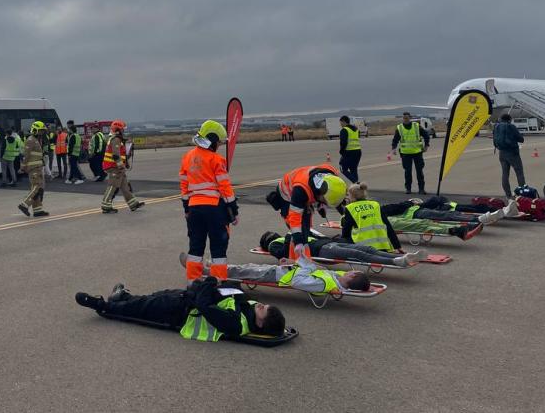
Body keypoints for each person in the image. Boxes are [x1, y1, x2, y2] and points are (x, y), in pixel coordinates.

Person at [75, 276, 286, 342]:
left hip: (180, 313)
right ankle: (123, 296)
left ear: (260, 323)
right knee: (148, 299)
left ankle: (101, 305)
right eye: (263, 305)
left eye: (262, 310)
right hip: (184, 298)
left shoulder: (236, 323)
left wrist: (208, 283)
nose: (259, 305)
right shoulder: (247, 307)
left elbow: (205, 306)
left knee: (141, 308)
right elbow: (231, 291)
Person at [180, 120, 236, 280]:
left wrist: (186, 208)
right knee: (218, 251)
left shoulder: (187, 157)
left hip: (194, 209)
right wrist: (234, 210)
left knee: (195, 249)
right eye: (218, 142)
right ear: (212, 140)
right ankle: (218, 286)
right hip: (214, 209)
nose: (219, 146)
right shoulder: (216, 160)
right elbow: (225, 188)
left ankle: (193, 284)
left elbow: (184, 187)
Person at [184, 253, 372, 295]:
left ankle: (203, 271)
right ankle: (207, 267)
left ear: (353, 277)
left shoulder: (325, 285)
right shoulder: (335, 278)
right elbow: (316, 269)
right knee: (245, 267)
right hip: (283, 271)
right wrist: (295, 262)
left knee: (241, 271)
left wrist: (301, 265)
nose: (350, 271)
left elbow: (298, 281)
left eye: (353, 272)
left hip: (277, 277)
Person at [268, 164, 346, 260]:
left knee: (307, 227)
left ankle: (306, 241)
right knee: (301, 228)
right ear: (319, 192)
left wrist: (322, 204)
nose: (325, 202)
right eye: (324, 200)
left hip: (305, 183)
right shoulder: (300, 191)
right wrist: (299, 242)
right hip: (287, 195)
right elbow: (295, 219)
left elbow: (336, 198)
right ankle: (297, 258)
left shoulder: (332, 175)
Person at [259, 231, 426, 268]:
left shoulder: (291, 233)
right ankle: (396, 262)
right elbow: (282, 254)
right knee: (358, 254)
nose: (275, 233)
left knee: (366, 248)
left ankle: (393, 257)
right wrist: (291, 236)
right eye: (272, 235)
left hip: (325, 244)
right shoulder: (275, 245)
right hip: (320, 251)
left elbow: (313, 234)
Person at [340, 182, 402, 251]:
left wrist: (343, 247)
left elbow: (346, 231)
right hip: (383, 246)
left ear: (352, 196)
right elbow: (388, 226)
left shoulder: (350, 208)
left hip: (362, 248)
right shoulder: (375, 205)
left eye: (348, 195)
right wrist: (397, 246)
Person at [100, 120, 145, 214]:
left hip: (117, 167)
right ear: (118, 130)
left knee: (125, 187)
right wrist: (121, 167)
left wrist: (126, 163)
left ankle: (133, 204)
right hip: (113, 167)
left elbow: (121, 154)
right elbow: (116, 155)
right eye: (122, 129)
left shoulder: (118, 139)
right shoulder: (116, 139)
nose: (123, 131)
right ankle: (105, 205)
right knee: (113, 186)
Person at [392, 112, 429, 194]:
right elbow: (395, 139)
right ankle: (408, 189)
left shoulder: (416, 126)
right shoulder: (399, 128)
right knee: (407, 172)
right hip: (405, 154)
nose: (405, 119)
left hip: (417, 153)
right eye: (404, 118)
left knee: (419, 171)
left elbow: (426, 135)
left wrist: (426, 146)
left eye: (407, 118)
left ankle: (421, 189)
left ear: (410, 118)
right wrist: (393, 148)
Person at [18, 121, 49, 217]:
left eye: (42, 131)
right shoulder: (31, 140)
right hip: (33, 168)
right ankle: (24, 204)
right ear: (34, 130)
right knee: (37, 187)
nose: (42, 133)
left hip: (38, 167)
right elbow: (26, 155)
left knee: (38, 188)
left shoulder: (36, 140)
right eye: (40, 131)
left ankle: (37, 210)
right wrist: (23, 167)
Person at [493, 113, 526, 197]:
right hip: (512, 152)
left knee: (505, 174)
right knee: (519, 173)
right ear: (509, 119)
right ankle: (523, 194)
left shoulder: (496, 126)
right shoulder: (511, 126)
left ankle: (508, 195)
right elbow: (521, 139)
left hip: (502, 153)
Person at [338, 115, 362, 182]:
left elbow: (343, 142)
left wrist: (342, 152)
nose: (340, 124)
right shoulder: (356, 129)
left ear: (343, 121)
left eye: (340, 122)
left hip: (349, 152)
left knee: (343, 168)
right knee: (353, 169)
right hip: (358, 151)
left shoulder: (344, 130)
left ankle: (356, 183)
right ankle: (357, 188)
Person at [65, 120, 86, 184]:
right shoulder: (78, 136)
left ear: (71, 130)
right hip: (76, 153)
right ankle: (70, 179)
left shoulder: (72, 136)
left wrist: (69, 154)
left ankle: (80, 178)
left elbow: (71, 146)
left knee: (74, 167)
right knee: (73, 167)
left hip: (73, 154)